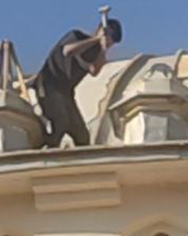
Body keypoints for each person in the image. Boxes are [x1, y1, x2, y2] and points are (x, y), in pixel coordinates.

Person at [36, 13, 123, 148]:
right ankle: (47, 150)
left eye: (112, 39)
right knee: (61, 121)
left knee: (82, 136)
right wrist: (96, 39)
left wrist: (102, 50)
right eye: (109, 35)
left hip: (66, 93)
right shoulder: (77, 36)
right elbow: (67, 51)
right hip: (49, 85)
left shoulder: (96, 53)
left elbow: (94, 71)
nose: (109, 40)